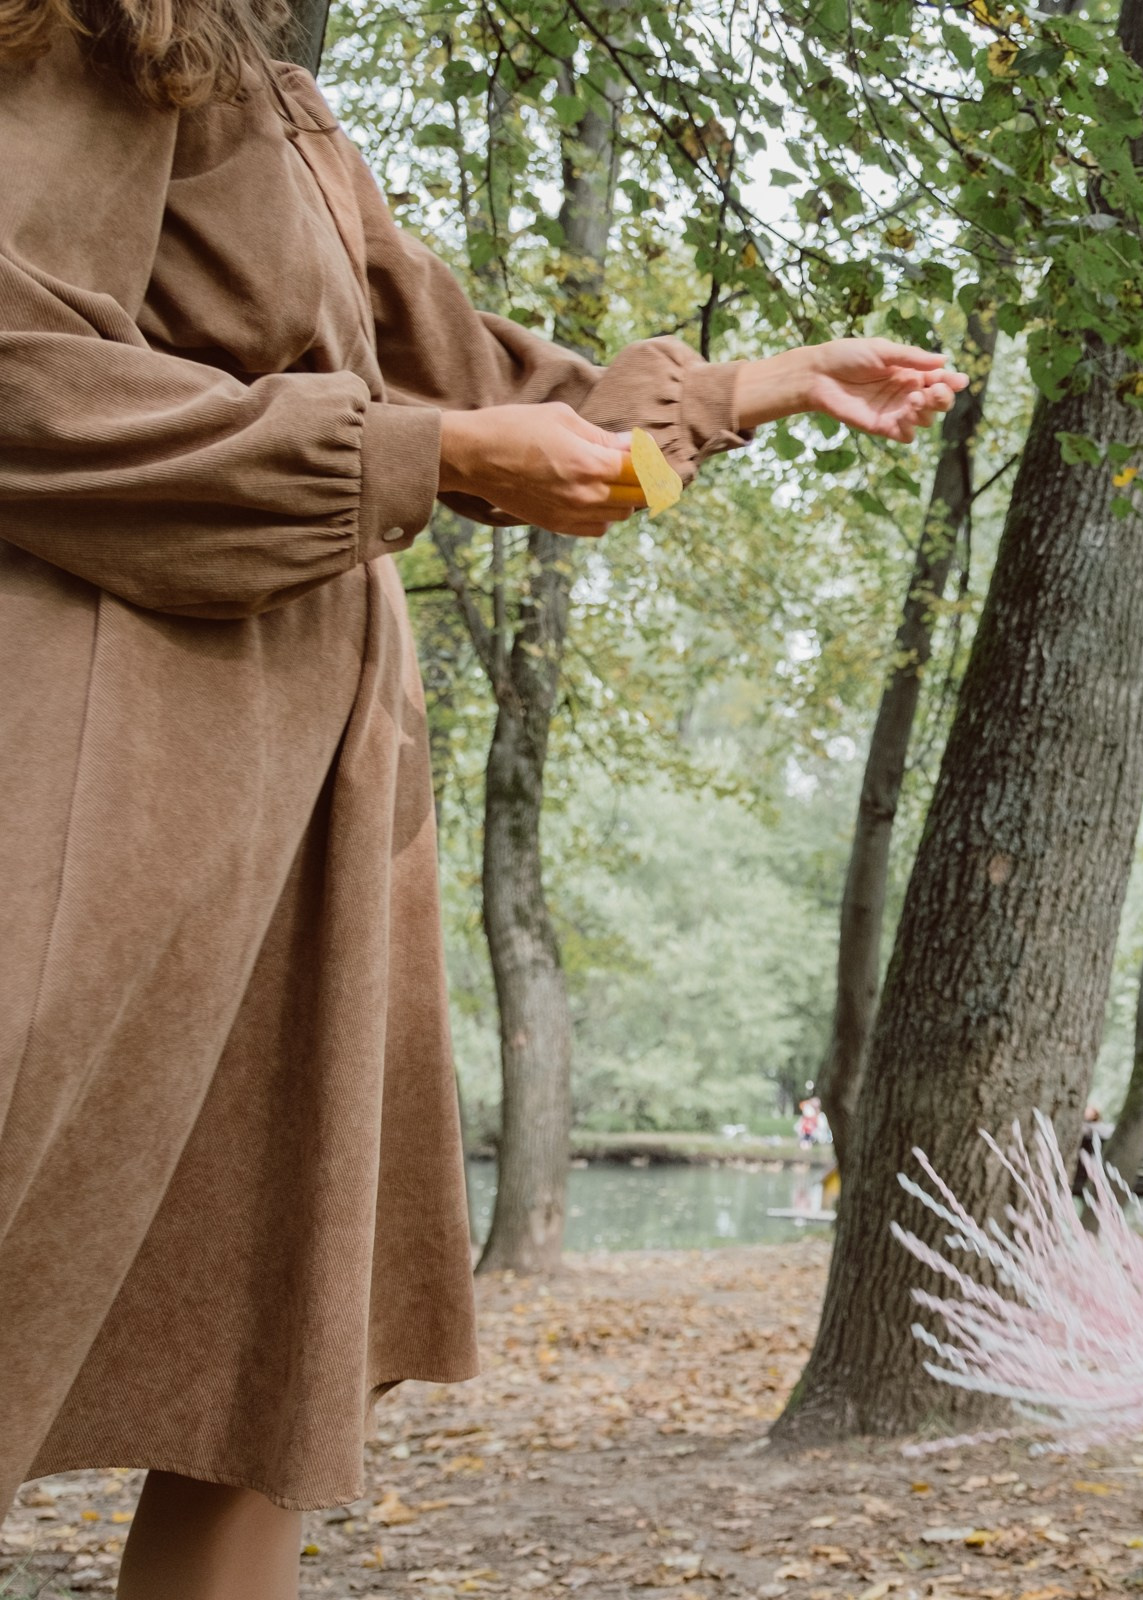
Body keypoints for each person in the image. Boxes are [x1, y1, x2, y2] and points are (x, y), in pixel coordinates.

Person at [0, 0, 963, 1592]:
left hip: (310, 811)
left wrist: (746, 389)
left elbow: (477, 388)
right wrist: (416, 450)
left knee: (266, 1361)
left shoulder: (277, 101)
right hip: (117, 770)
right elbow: (27, 384)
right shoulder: (73, 34)